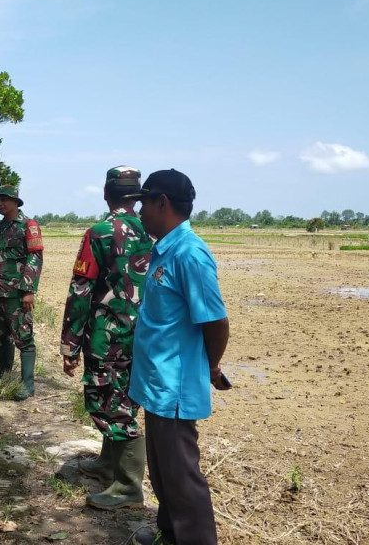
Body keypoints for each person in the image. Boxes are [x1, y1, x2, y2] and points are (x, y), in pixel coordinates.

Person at [123, 169, 231, 545]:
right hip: (157, 384)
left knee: (183, 477)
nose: (138, 211)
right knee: (163, 471)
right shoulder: (164, 248)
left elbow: (216, 322)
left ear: (162, 203)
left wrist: (212, 365)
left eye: (142, 203)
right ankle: (169, 533)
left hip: (174, 387)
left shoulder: (189, 253)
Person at [60, 166, 153, 510]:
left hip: (108, 336)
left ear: (106, 193)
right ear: (138, 195)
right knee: (124, 397)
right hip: (143, 335)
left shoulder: (99, 233)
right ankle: (108, 464)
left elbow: (81, 290)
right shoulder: (153, 230)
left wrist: (69, 345)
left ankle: (128, 487)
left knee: (111, 404)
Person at [0, 184, 44, 401]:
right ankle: (1, 374)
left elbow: (35, 258)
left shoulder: (28, 226)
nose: (0, 204)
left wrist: (28, 290)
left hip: (17, 294)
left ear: (16, 201)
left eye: (4, 200)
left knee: (24, 338)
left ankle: (27, 385)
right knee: (0, 336)